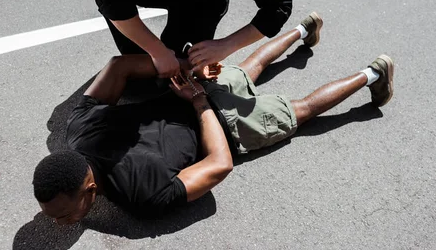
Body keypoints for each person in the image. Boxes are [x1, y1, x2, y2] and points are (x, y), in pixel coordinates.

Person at [32, 12, 394, 221]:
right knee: (251, 65)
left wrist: (200, 103)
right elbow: (118, 67)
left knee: (304, 110)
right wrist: (189, 70)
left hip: (224, 123)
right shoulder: (78, 129)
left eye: (62, 215)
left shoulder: (138, 197)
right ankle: (303, 28)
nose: (59, 222)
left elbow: (221, 163)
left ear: (89, 191)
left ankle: (375, 73)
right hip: (190, 86)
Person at [91, 0, 293, 78]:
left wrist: (225, 46)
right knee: (141, 77)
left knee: (182, 72)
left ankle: (303, 29)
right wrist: (157, 51)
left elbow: (277, 7)